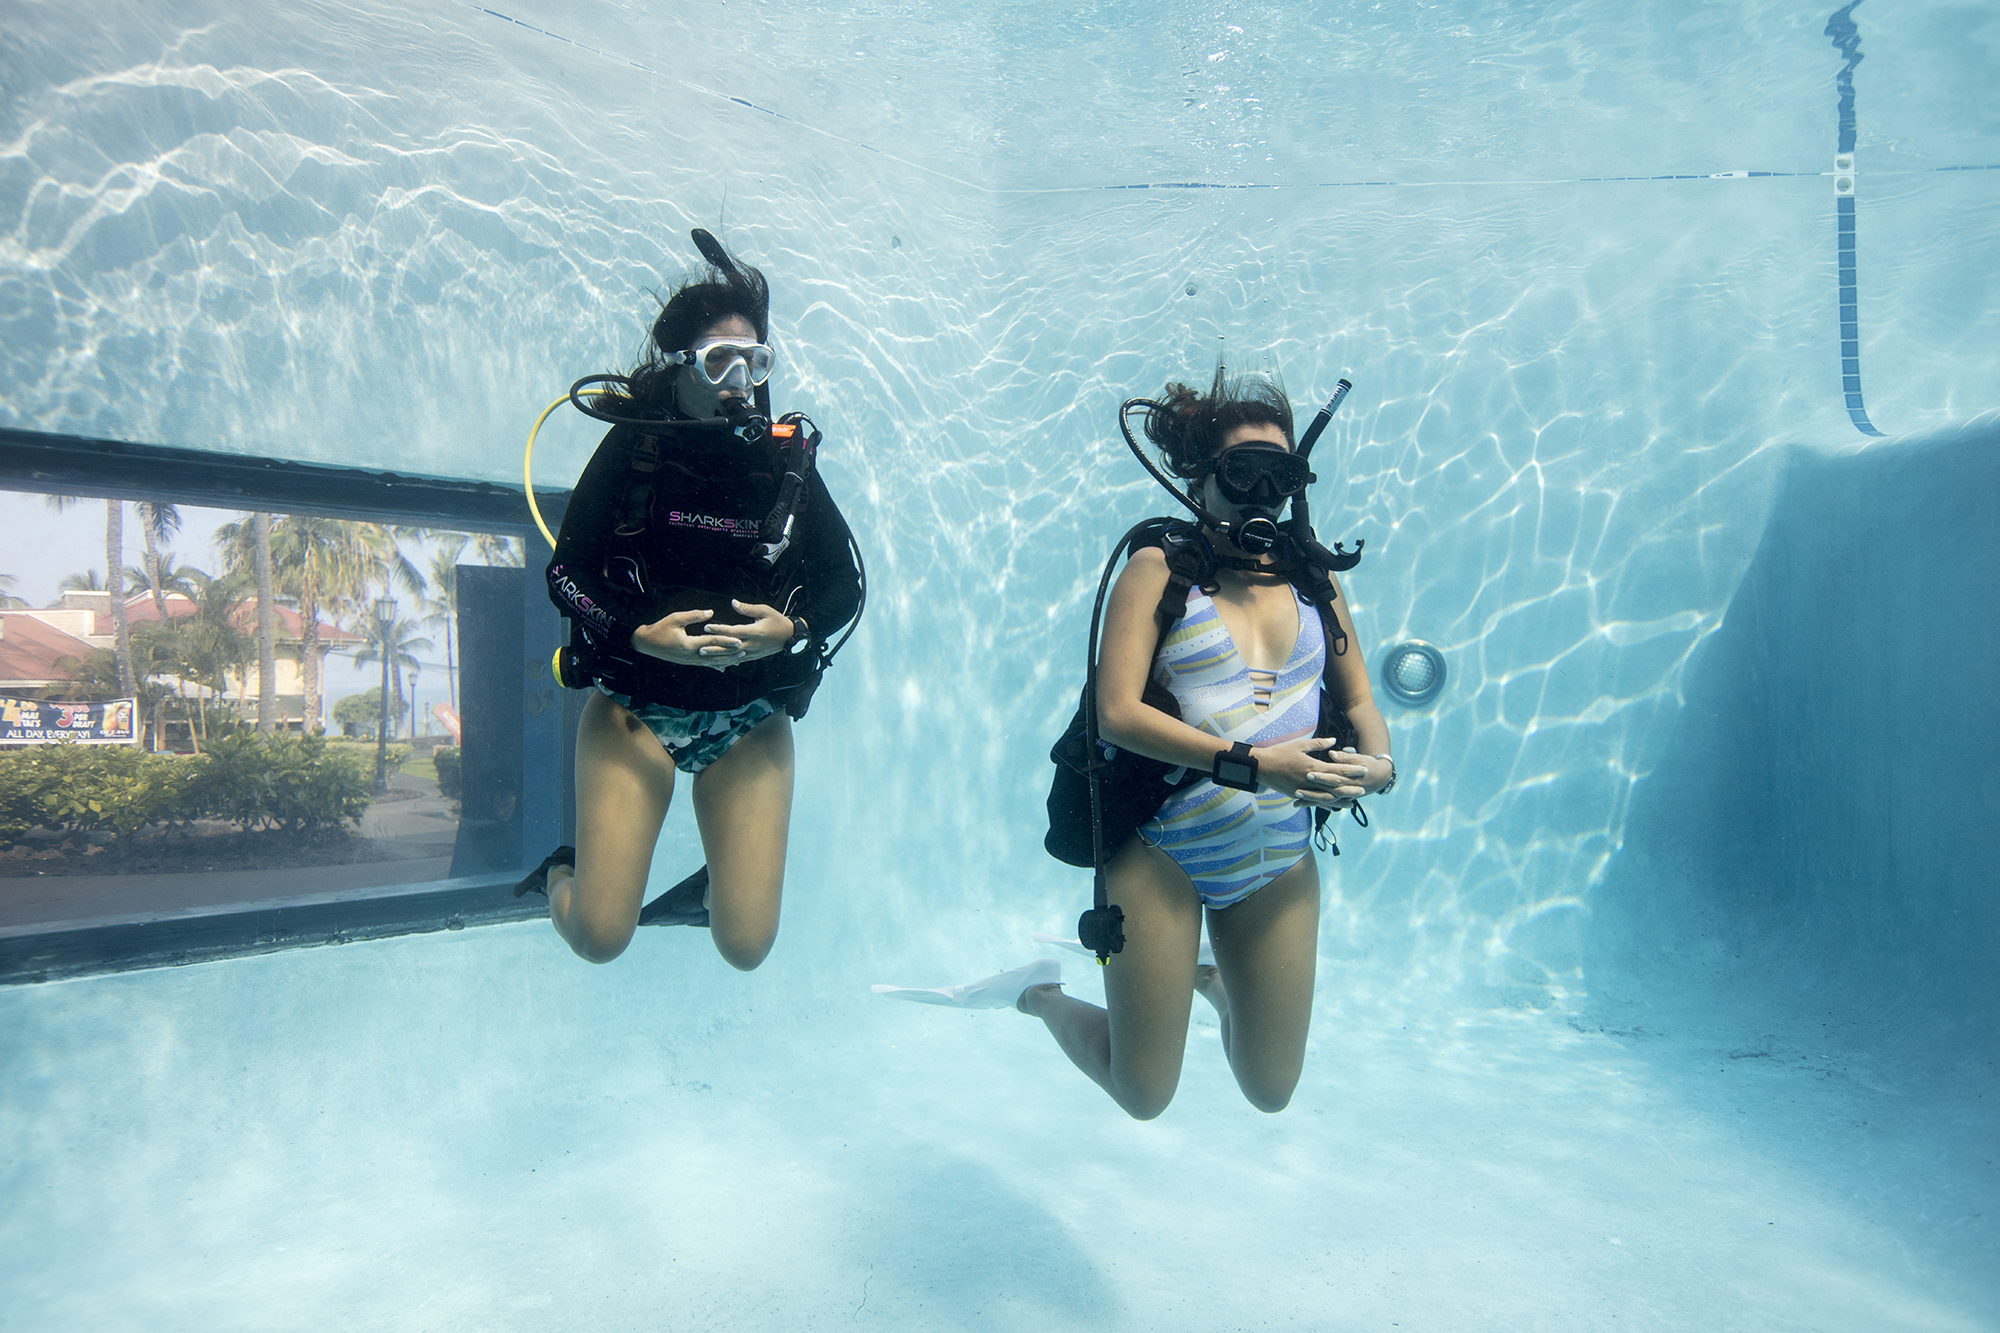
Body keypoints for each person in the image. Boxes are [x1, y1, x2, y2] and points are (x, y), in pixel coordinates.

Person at [877, 365, 1392, 1119]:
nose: (1260, 494)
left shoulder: (1316, 580)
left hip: (1278, 857)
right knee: (1143, 1091)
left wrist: (1377, 767)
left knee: (1270, 1089)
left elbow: (1360, 698)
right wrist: (1256, 764)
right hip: (1163, 848)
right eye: (1241, 471)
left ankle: (1209, 978)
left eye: (1278, 476)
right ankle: (1039, 994)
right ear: (1199, 474)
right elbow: (1116, 711)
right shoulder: (1158, 570)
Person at [520, 231, 862, 970]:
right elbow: (565, 577)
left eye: (756, 361)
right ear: (679, 368)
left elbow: (846, 587)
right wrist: (641, 636)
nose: (742, 379)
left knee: (746, 946)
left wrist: (790, 627)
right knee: (600, 938)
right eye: (719, 361)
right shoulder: (634, 450)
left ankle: (720, 887)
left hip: (748, 720)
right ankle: (560, 871)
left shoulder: (784, 463)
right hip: (635, 710)